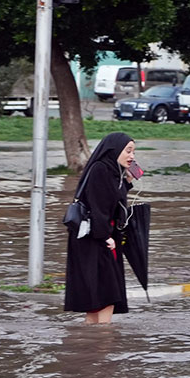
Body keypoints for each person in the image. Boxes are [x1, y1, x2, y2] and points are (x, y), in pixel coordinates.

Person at [64, 132, 136, 324]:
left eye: (133, 152)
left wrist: (127, 181)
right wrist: (104, 237)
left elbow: (112, 198)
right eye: (128, 151)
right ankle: (103, 340)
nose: (132, 156)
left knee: (99, 297)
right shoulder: (100, 170)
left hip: (99, 237)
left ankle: (90, 342)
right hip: (96, 237)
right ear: (114, 150)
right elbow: (98, 205)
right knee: (106, 295)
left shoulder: (112, 171)